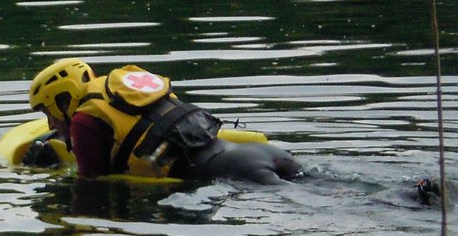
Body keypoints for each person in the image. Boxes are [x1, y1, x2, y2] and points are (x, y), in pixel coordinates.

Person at [27, 58, 300, 184]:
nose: (50, 125)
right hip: (255, 154)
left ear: (61, 100)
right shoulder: (124, 88)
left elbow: (94, 186)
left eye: (48, 113)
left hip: (221, 174)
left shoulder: (84, 122)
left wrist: (49, 170)